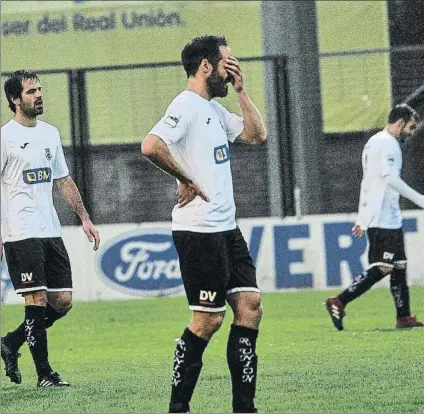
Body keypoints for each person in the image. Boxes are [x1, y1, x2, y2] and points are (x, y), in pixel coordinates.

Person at [141, 35, 267, 413]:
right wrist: (186, 178)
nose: (232, 71)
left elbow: (256, 135)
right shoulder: (187, 105)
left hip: (226, 229)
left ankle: (244, 408)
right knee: (207, 320)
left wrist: (242, 90)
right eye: (228, 65)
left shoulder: (212, 109)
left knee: (250, 306)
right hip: (198, 231)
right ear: (206, 67)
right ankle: (178, 406)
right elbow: (151, 145)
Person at [1, 70, 100, 387]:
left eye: (40, 89)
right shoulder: (4, 138)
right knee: (36, 301)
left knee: (62, 301)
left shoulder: (50, 134)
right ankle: (45, 375)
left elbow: (64, 180)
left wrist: (84, 217)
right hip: (20, 231)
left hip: (49, 230)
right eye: (31, 92)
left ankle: (10, 343)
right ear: (16, 99)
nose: (39, 95)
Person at [325, 104, 424, 331]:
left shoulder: (375, 142)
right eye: (410, 126)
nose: (410, 131)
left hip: (388, 216)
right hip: (382, 218)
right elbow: (389, 179)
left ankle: (404, 316)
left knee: (399, 265)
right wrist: (420, 200)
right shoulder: (387, 144)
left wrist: (362, 216)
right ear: (400, 122)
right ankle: (339, 301)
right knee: (384, 267)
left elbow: (369, 182)